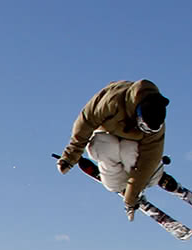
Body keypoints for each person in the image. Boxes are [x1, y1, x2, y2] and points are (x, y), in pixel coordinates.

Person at [56, 79, 169, 219]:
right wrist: (70, 156)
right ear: (138, 116)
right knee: (102, 146)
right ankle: (119, 184)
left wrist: (131, 197)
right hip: (107, 134)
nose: (146, 130)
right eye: (144, 127)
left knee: (129, 150)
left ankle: (152, 177)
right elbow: (85, 122)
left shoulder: (155, 127)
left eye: (150, 129)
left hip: (134, 146)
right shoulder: (112, 102)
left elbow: (149, 159)